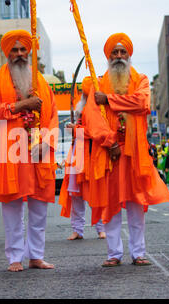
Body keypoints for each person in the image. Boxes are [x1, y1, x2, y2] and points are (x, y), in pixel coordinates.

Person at [83, 33, 169, 267]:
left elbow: (141, 103)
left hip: (135, 152)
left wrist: (109, 100)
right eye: (115, 52)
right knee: (110, 204)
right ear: (109, 56)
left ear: (129, 55)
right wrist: (109, 141)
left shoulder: (141, 80)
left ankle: (138, 252)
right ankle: (113, 253)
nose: (119, 56)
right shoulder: (98, 83)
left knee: (135, 203)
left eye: (123, 52)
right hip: (108, 152)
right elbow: (91, 118)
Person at [0, 30, 58, 272]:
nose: (18, 54)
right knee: (13, 207)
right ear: (7, 53)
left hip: (39, 152)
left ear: (29, 52)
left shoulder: (40, 82)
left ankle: (36, 256)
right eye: (14, 50)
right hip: (10, 152)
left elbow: (53, 116)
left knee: (39, 208)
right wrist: (21, 105)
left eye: (22, 49)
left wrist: (47, 143)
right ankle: (15, 257)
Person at [59, 76, 106, 240]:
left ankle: (101, 228)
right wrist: (74, 129)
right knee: (76, 194)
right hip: (77, 153)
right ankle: (77, 230)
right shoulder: (80, 108)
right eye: (85, 93)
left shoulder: (101, 110)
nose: (87, 96)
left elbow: (96, 132)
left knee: (96, 192)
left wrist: (76, 129)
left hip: (93, 153)